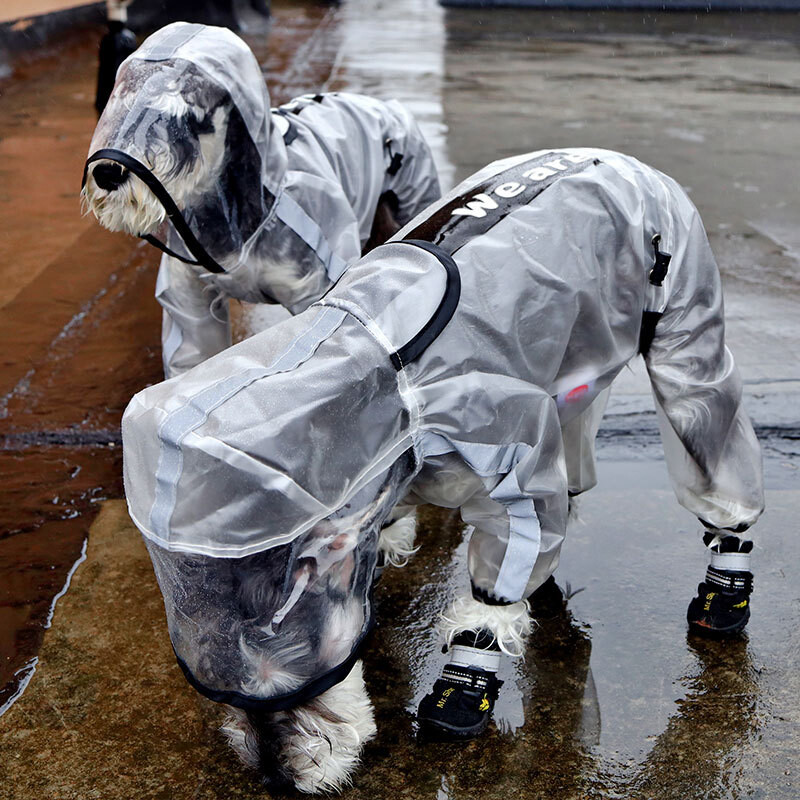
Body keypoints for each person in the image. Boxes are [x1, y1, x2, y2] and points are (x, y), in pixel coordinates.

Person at [122, 148, 763, 791]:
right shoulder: (338, 396)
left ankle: (731, 542)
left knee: (692, 393)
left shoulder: (459, 397)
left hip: (637, 224)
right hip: (515, 258)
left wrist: (475, 643)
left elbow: (521, 493)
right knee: (535, 389)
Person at [82, 22, 442, 377]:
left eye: (179, 121)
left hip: (387, 145)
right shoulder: (184, 235)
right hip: (219, 207)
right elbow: (190, 358)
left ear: (226, 118)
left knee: (413, 278)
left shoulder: (301, 217)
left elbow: (342, 341)